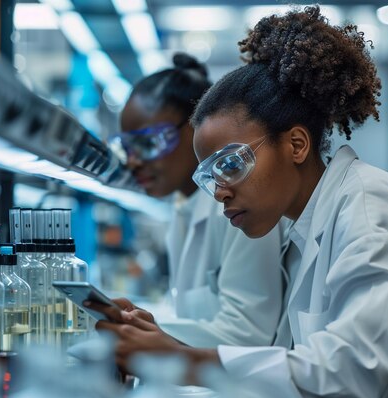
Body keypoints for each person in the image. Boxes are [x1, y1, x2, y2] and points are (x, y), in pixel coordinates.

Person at [89, 7, 388, 398]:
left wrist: (184, 362)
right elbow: (295, 367)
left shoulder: (368, 206)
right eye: (208, 177)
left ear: (296, 144)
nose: (218, 193)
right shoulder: (303, 229)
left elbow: (351, 374)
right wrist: (166, 345)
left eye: (231, 165)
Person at [111, 52, 286, 348]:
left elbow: (248, 333)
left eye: (148, 143)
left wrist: (145, 333)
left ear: (196, 127)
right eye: (127, 148)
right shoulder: (183, 206)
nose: (133, 162)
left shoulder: (238, 209)